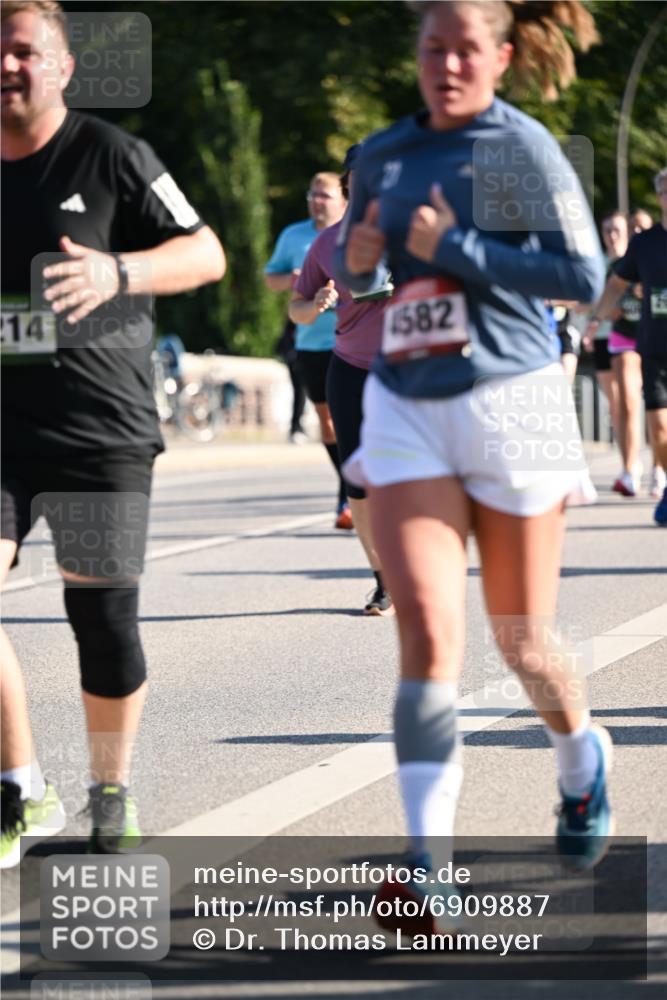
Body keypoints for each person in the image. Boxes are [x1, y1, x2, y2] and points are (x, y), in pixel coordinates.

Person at [334, 0, 609, 933]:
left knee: (522, 638)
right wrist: (365, 257)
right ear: (415, 54)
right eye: (431, 48)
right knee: (423, 630)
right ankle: (428, 868)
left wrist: (450, 247)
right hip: (408, 402)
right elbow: (369, 268)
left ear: (498, 56)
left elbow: (579, 275)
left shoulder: (519, 150)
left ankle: (580, 765)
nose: (446, 65)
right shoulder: (380, 153)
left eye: (464, 50)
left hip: (515, 401)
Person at [1, 0, 225, 868]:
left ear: (61, 67)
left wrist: (117, 269)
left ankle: (108, 789)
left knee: (100, 619)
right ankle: (21, 786)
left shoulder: (111, 155)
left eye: (25, 52)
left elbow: (205, 253)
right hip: (2, 427)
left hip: (99, 427)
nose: (10, 66)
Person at [289, 144, 394, 615]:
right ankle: (383, 581)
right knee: (360, 487)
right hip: (349, 368)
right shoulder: (326, 244)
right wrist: (316, 306)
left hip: (408, 371)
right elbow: (297, 306)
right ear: (349, 184)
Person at [264, 172, 352, 528]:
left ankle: (350, 497)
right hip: (311, 340)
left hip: (351, 341)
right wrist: (297, 279)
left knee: (352, 420)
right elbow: (271, 279)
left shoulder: (358, 235)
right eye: (312, 194)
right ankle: (349, 487)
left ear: (342, 200)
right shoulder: (294, 235)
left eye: (324, 195)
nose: (317, 201)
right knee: (328, 424)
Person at [587, 168, 667, 525]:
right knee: (661, 427)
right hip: (654, 346)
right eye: (664, 189)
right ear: (658, 196)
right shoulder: (644, 243)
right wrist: (595, 320)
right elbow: (616, 284)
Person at [584, 211, 644, 496]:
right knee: (618, 405)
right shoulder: (597, 264)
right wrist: (597, 315)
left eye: (617, 229)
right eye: (606, 229)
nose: (612, 235)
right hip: (604, 338)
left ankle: (646, 465)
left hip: (636, 336)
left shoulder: (635, 259)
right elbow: (585, 299)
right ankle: (629, 465)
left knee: (633, 402)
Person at [275, 317, 307, 444]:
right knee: (300, 392)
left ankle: (298, 427)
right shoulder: (298, 314)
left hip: (302, 356)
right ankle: (296, 428)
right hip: (296, 357)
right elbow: (289, 336)